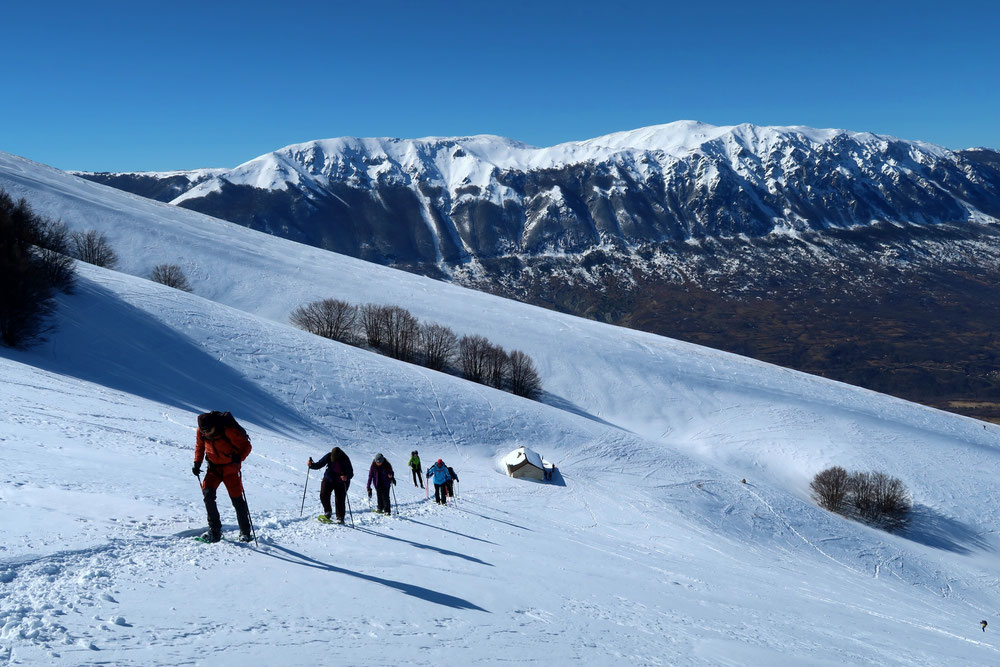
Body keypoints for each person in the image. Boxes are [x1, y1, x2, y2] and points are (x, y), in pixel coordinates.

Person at [192, 411, 253, 543]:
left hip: (230, 470)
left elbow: (247, 446)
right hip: (213, 469)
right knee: (208, 495)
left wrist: (239, 457)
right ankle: (215, 531)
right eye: (203, 431)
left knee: (237, 501)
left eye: (208, 431)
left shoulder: (228, 431)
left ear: (214, 426)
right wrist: (197, 463)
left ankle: (245, 532)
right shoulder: (201, 431)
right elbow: (200, 446)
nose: (205, 433)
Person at [308, 446, 354, 524]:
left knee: (340, 499)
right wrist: (311, 465)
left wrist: (346, 477)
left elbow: (351, 473)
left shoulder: (345, 459)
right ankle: (328, 512)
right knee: (323, 494)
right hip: (329, 478)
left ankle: (340, 517)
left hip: (342, 482)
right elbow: (319, 464)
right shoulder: (329, 455)